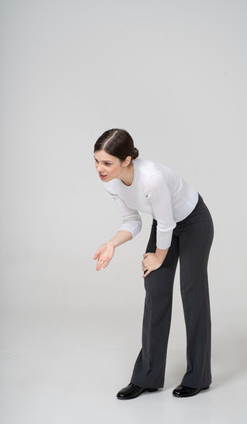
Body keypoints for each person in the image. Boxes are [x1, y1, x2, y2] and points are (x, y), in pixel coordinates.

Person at [93, 128, 214, 399]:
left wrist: (159, 257)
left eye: (107, 163)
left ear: (126, 160)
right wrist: (112, 243)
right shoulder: (111, 181)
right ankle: (147, 377)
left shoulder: (152, 179)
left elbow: (168, 223)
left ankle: (198, 377)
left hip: (194, 222)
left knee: (192, 292)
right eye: (97, 161)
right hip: (165, 226)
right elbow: (132, 222)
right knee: (156, 291)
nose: (100, 168)